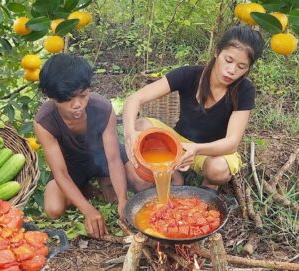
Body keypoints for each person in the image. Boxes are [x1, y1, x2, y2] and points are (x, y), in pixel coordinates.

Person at [123, 25, 264, 193]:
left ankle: (209, 183)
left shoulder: (244, 90)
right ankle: (173, 172)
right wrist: (130, 132)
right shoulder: (189, 75)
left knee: (217, 168)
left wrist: (197, 149)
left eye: (241, 67)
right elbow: (134, 98)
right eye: (228, 60)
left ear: (248, 68)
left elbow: (232, 142)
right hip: (179, 144)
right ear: (217, 52)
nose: (232, 70)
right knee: (141, 126)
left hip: (212, 151)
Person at [35, 54, 149, 239]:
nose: (77, 105)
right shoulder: (44, 122)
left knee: (141, 181)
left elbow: (112, 159)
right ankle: (87, 188)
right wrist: (88, 210)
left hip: (103, 158)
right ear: (52, 97)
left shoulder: (103, 107)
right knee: (53, 209)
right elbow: (61, 174)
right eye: (68, 99)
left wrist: (123, 200)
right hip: (72, 166)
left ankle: (104, 182)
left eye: (83, 95)